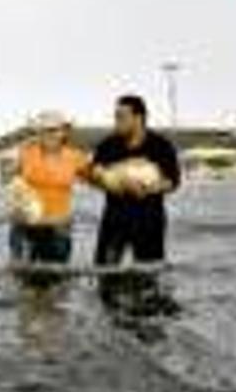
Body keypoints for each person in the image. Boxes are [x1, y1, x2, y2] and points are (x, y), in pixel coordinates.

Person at [90, 95, 181, 312]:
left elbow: (173, 181)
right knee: (104, 275)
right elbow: (94, 175)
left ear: (138, 118)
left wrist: (150, 188)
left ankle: (147, 327)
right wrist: (113, 183)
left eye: (121, 117)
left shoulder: (160, 145)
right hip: (114, 221)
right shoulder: (108, 145)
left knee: (149, 279)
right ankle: (111, 325)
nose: (116, 121)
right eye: (115, 116)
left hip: (149, 221)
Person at [9, 111, 90, 266]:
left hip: (57, 229)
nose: (49, 134)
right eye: (45, 130)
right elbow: (14, 187)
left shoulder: (76, 157)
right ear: (38, 133)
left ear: (64, 132)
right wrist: (15, 210)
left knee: (57, 283)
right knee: (24, 281)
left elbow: (99, 180)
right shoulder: (25, 153)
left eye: (54, 130)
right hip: (26, 228)